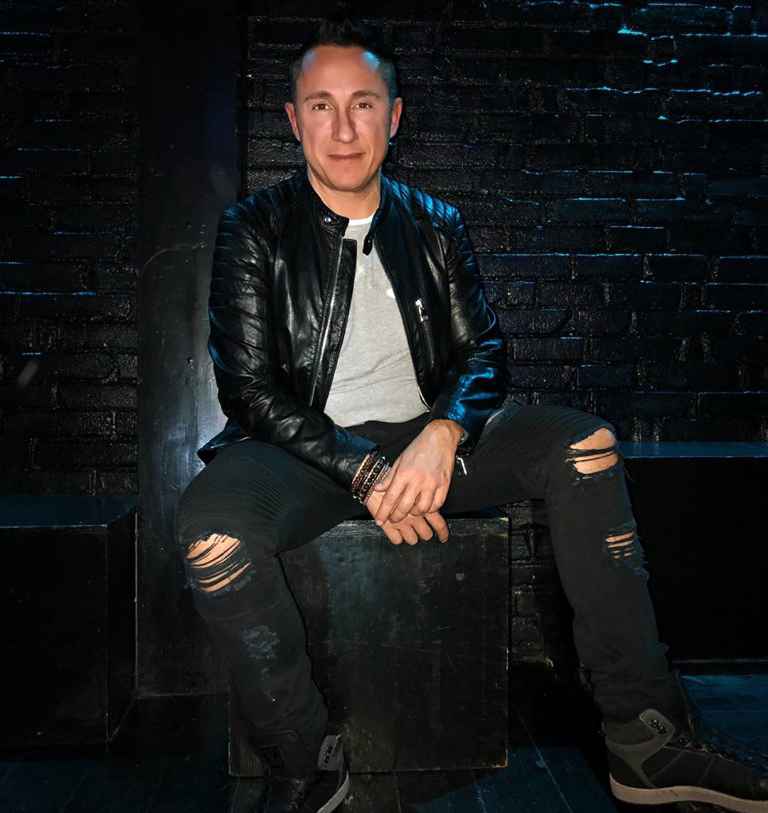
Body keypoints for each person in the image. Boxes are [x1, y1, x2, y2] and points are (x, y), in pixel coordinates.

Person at [175, 16, 768, 813]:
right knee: (211, 531)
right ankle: (303, 759)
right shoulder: (253, 228)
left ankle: (647, 738)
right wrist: (366, 470)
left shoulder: (436, 223)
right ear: (294, 119)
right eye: (321, 105)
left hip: (430, 443)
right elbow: (248, 389)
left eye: (363, 103)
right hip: (303, 453)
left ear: (394, 115)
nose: (344, 128)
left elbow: (482, 352)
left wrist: (445, 431)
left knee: (586, 446)